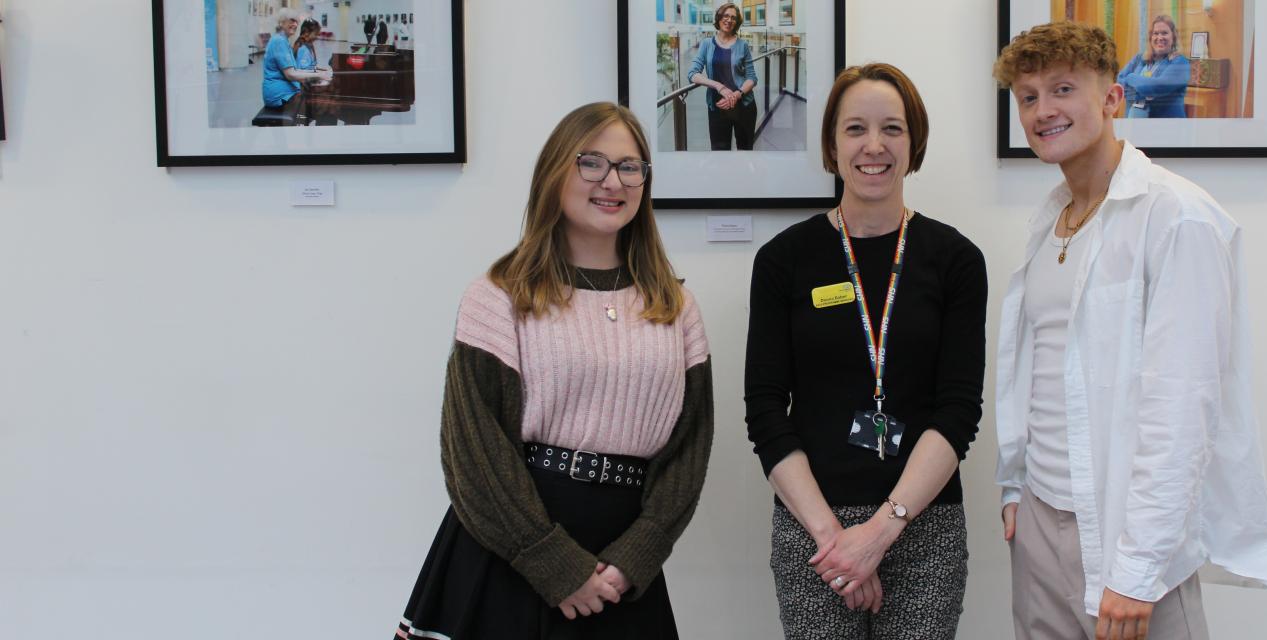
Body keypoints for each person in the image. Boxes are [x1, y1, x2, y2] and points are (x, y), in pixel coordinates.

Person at [992, 21, 1267, 640]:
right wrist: (1017, 490)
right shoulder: (1051, 222)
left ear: (1112, 99)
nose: (1043, 111)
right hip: (1039, 523)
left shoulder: (1178, 218)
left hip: (1124, 534)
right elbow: (1035, 373)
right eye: (1028, 96)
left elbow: (1183, 405)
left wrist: (1139, 569)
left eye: (1063, 89)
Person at [395, 102, 713, 640]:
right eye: (592, 163)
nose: (612, 181)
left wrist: (640, 553)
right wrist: (551, 562)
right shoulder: (499, 296)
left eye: (630, 167)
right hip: (508, 554)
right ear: (554, 173)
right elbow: (473, 452)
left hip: (622, 569)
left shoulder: (675, 306)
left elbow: (689, 448)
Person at [744, 63, 987, 639]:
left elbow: (958, 412)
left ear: (914, 142)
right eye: (855, 129)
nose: (873, 146)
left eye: (892, 129)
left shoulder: (955, 260)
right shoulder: (784, 260)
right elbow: (765, 411)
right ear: (831, 144)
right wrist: (836, 542)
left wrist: (879, 533)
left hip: (924, 526)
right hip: (813, 530)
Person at [687, 2, 758, 150]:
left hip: (744, 106)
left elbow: (752, 77)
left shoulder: (742, 45)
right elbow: (693, 74)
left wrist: (737, 94)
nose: (729, 20)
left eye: (733, 17)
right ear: (719, 18)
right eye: (726, 15)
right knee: (719, 153)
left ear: (736, 22)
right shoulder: (706, 44)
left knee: (745, 150)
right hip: (718, 108)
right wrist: (719, 86)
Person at [1117, 15, 1191, 118]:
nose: (1160, 38)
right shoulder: (1140, 58)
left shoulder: (1180, 62)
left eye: (1164, 33)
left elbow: (1156, 87)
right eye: (1155, 33)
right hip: (1134, 125)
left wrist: (1131, 77)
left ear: (1173, 37)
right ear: (1150, 37)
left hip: (1166, 129)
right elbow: (1119, 82)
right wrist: (1146, 93)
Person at [261, 10, 325, 114]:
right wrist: (318, 75)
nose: (295, 24)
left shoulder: (283, 40)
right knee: (324, 106)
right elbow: (290, 74)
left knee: (322, 103)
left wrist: (318, 73)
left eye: (296, 22)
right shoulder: (279, 41)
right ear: (281, 22)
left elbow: (296, 70)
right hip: (279, 95)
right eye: (292, 21)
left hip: (285, 92)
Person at [292, 19, 336, 126]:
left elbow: (311, 67)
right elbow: (304, 74)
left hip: (306, 88)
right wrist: (322, 77)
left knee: (329, 103)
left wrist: (323, 70)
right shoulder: (303, 48)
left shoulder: (307, 45)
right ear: (306, 32)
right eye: (315, 34)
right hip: (302, 93)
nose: (317, 37)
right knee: (329, 109)